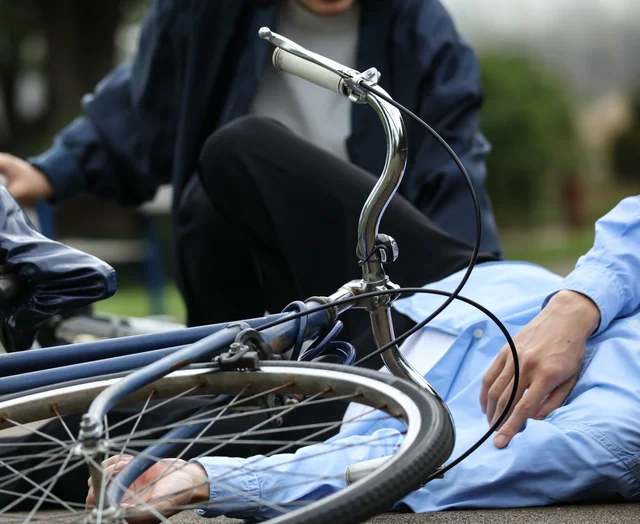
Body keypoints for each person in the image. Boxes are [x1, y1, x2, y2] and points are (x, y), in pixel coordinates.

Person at [89, 196, 640, 524]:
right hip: (453, 293)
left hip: (366, 407)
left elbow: (433, 466)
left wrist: (214, 481)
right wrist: (577, 305)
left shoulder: (621, 433)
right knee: (240, 151)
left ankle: (225, 387)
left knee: (90, 437)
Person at [0, 0, 501, 349]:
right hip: (243, 264)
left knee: (239, 146)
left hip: (373, 260)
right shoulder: (206, 13)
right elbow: (144, 106)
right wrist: (47, 174)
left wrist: (487, 297)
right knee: (215, 181)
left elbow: (452, 163)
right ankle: (238, 384)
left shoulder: (422, 27)